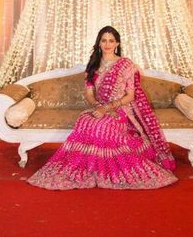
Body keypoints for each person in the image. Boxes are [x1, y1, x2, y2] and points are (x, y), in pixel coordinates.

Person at [27, 25, 178, 189]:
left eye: (111, 41)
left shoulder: (126, 65)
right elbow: (89, 94)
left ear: (117, 44)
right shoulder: (93, 65)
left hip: (120, 110)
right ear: (99, 43)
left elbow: (130, 96)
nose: (107, 44)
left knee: (102, 126)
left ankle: (105, 169)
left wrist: (107, 108)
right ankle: (88, 167)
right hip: (98, 107)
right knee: (85, 121)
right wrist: (98, 106)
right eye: (104, 40)